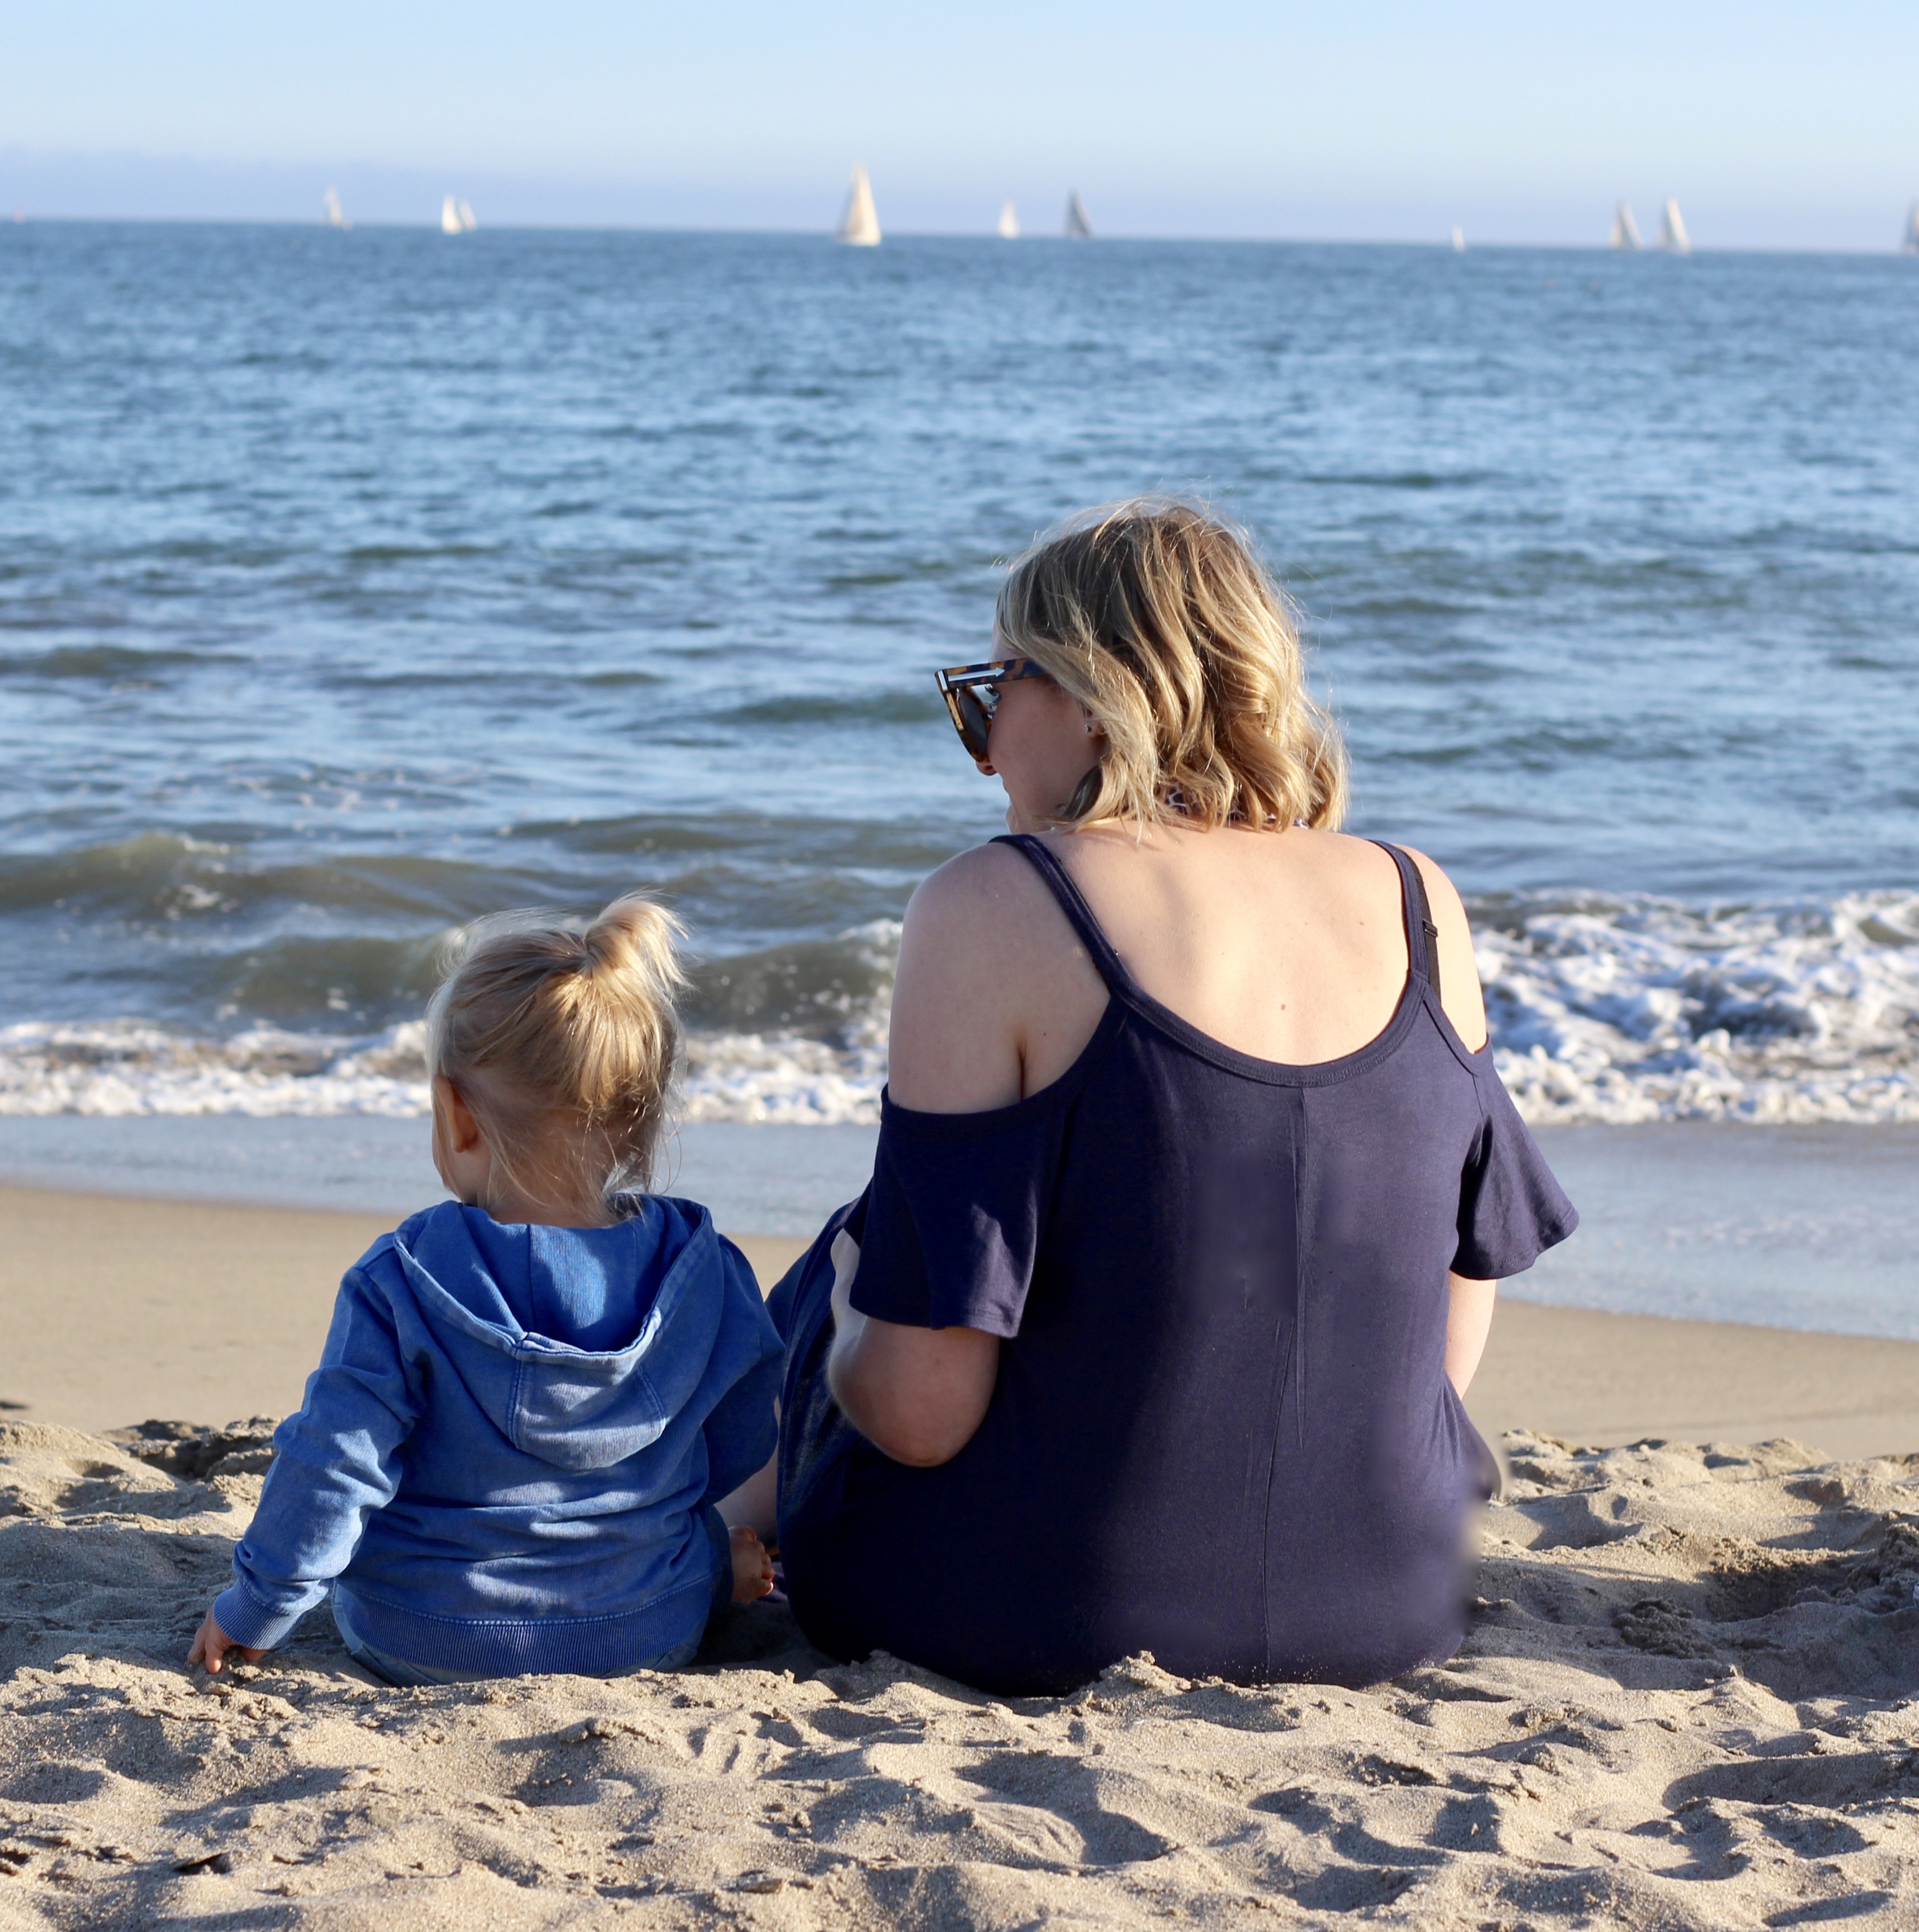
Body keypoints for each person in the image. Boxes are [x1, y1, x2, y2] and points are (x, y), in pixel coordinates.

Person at [768, 500, 1576, 1697]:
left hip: (1034, 1614)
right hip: (1392, 1601)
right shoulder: (1416, 898)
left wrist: (837, 1317)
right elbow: (1459, 1284)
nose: (984, 750)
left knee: (840, 1263)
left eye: (990, 693)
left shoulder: (996, 902)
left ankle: (684, 1537)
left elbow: (921, 1414)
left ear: (1090, 692)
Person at [188, 896, 784, 1685]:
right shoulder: (705, 1270)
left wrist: (256, 1606)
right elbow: (741, 1443)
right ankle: (713, 1574)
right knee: (682, 1536)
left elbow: (334, 1464)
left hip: (424, 1632)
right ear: (640, 1124)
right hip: (646, 1631)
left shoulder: (403, 1277)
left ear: (455, 1116)